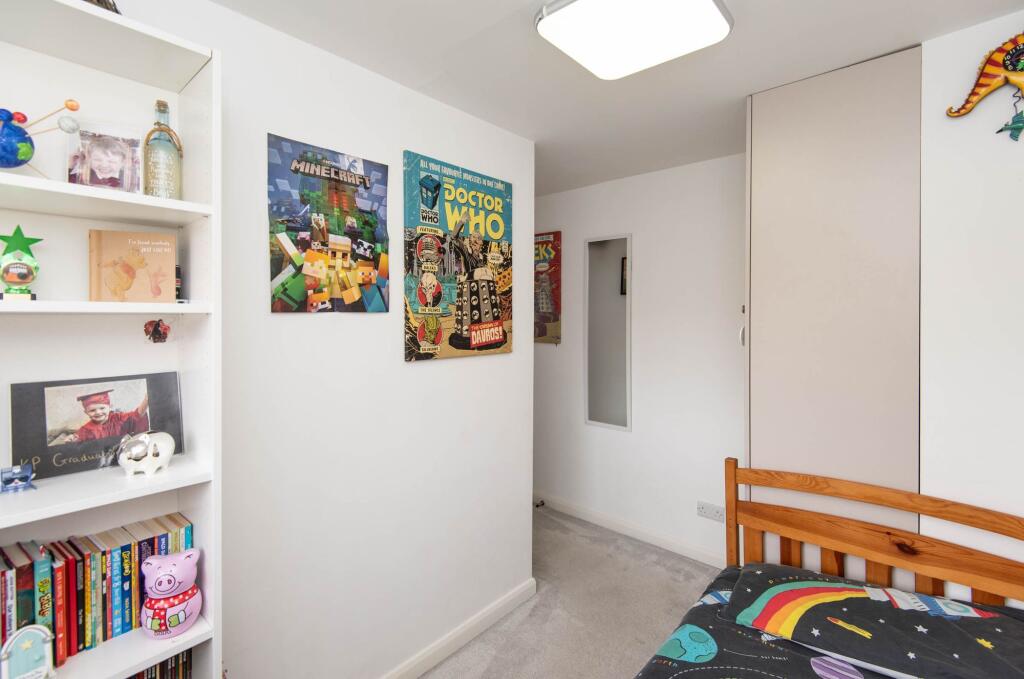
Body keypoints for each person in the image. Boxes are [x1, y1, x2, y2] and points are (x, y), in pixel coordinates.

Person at [68, 389, 149, 443]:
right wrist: (72, 439)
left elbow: (137, 416)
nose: (98, 412)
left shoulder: (119, 418)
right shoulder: (86, 430)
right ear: (86, 412)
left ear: (110, 407)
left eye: (102, 408)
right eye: (92, 410)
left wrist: (146, 400)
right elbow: (78, 440)